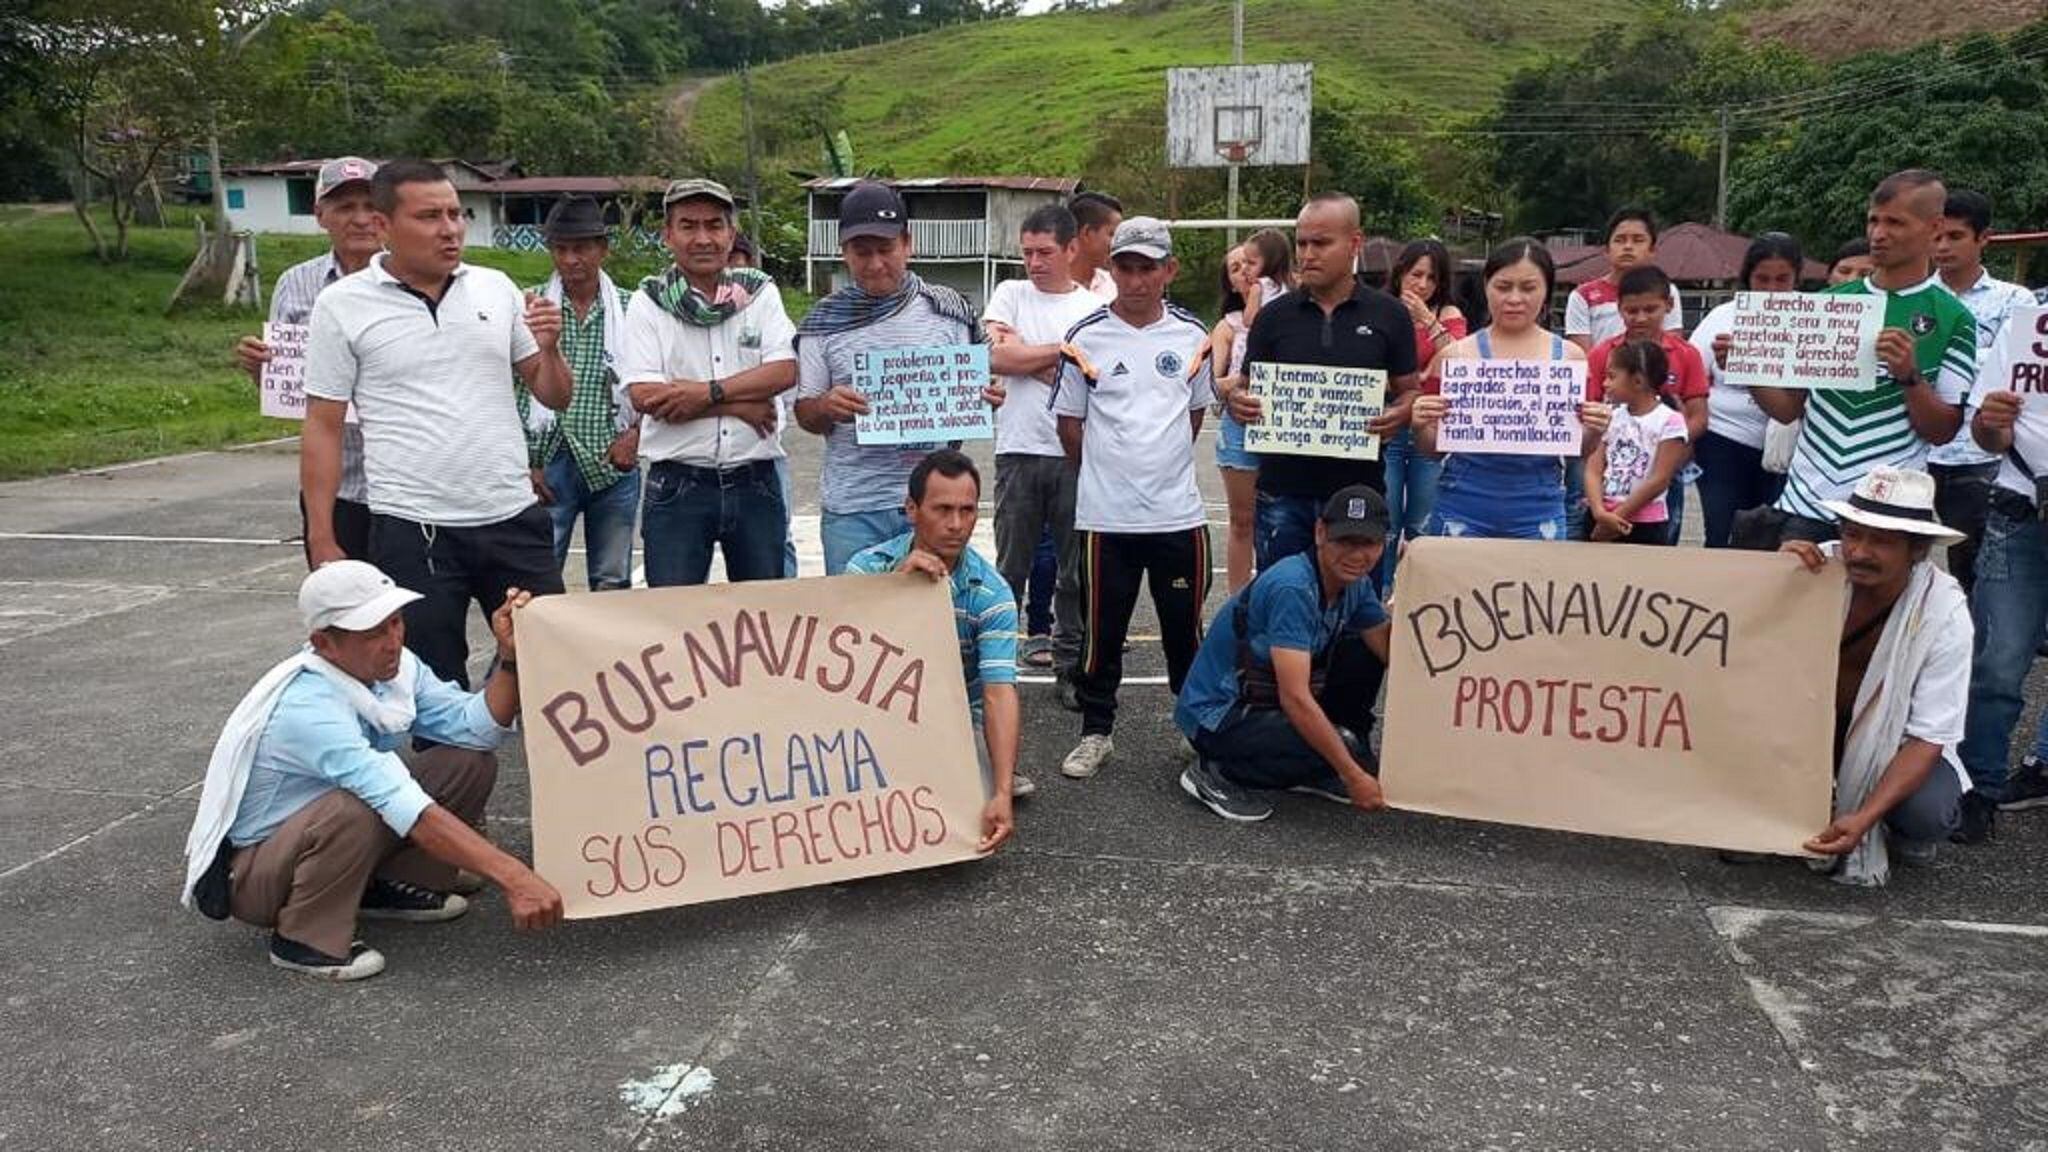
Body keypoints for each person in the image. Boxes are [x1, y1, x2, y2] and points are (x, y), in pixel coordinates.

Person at [180, 561, 564, 981]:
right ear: (323, 643)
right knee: (355, 806)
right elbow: (405, 806)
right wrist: (516, 877)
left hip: (311, 837)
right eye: (373, 633)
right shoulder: (308, 708)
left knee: (466, 762)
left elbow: (476, 729)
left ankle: (387, 889)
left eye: (395, 623)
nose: (392, 641)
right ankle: (303, 938)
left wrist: (509, 658)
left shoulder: (398, 669)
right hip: (256, 876)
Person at [302, 159, 571, 688]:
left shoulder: (495, 288)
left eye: (456, 213)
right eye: (429, 217)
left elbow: (552, 393)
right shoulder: (341, 306)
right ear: (384, 227)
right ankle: (450, 771)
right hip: (413, 526)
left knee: (551, 667)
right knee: (432, 681)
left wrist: (551, 348)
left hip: (512, 515)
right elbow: (324, 426)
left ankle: (557, 771)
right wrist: (322, 535)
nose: (449, 229)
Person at [1052, 216, 1215, 780]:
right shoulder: (1084, 337)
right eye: (1126, 266)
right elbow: (1070, 425)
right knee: (1103, 633)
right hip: (1106, 518)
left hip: (1177, 516)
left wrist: (1156, 469)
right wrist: (1109, 474)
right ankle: (1097, 732)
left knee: (1183, 630)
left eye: (1149, 267)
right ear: (1110, 269)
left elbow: (1192, 417)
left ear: (1169, 270)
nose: (1137, 279)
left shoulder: (1194, 336)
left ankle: (1194, 729)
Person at [1749, 170, 1973, 547]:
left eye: (1895, 222)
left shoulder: (1954, 318)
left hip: (1888, 510)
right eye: (1873, 220)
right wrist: (1748, 367)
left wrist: (1909, 377)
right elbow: (1788, 409)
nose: (1878, 234)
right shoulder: (1827, 306)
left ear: (1934, 228)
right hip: (1807, 503)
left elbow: (1943, 430)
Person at [1780, 468, 1971, 884]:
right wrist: (1770, 578)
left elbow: (1928, 737)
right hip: (1810, 724)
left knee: (1925, 813)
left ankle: (1887, 820)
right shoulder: (1814, 567)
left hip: (1893, 740)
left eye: (1881, 541)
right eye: (1852, 534)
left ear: (1917, 550)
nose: (1859, 551)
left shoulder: (1944, 613)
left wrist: (1865, 817)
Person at [792, 181, 993, 574]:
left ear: (907, 244)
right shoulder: (821, 323)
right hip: (854, 506)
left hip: (934, 502)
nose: (874, 263)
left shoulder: (951, 311)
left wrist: (987, 395)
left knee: (931, 621)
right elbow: (804, 413)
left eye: (885, 250)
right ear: (843, 252)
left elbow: (981, 380)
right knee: (854, 622)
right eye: (861, 252)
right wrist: (826, 406)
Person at [1174, 486, 1393, 824]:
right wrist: (1351, 774)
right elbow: (1295, 698)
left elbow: (1389, 652)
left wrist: (1417, 594)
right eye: (1345, 541)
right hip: (1217, 712)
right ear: (1320, 533)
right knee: (1343, 751)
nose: (1356, 555)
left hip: (1264, 698)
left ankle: (1311, 760)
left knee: (1361, 653)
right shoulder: (1293, 587)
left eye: (1368, 544)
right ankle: (1216, 769)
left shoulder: (1356, 585)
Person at [617, 178, 797, 587]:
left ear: (731, 234)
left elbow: (785, 370)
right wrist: (737, 403)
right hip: (679, 484)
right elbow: (645, 394)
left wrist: (702, 392)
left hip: (757, 482)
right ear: (667, 235)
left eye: (715, 225)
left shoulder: (760, 294)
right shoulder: (648, 302)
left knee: (762, 617)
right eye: (688, 225)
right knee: (675, 622)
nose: (703, 238)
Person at [847, 449, 1033, 813]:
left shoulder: (992, 594)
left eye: (966, 511)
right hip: (877, 717)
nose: (956, 524)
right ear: (912, 510)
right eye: (942, 509)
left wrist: (1000, 789)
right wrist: (896, 589)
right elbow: (844, 669)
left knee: (966, 807)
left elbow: (998, 693)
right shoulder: (865, 569)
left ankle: (996, 770)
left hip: (957, 721)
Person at [233, 156, 381, 565]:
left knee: (417, 618)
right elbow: (289, 388)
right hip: (338, 486)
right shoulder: (296, 284)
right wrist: (263, 370)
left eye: (371, 206)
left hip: (408, 486)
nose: (361, 219)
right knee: (344, 613)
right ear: (320, 215)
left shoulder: (414, 279)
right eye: (345, 207)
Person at [983, 204, 1106, 687]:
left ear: (1072, 249)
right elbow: (994, 355)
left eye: (1045, 252)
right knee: (1009, 568)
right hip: (1017, 449)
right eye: (1027, 252)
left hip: (1075, 452)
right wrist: (1063, 350)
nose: (1034, 263)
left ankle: (1069, 667)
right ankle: (993, 673)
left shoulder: (1094, 308)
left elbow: (1092, 379)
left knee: (1074, 572)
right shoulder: (1009, 293)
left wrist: (1024, 356)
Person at [1411, 238, 1606, 540]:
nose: (1514, 299)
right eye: (1503, 287)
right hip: (1463, 504)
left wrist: (1594, 429)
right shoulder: (1455, 356)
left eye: (1528, 288)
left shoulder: (1570, 358)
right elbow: (1433, 450)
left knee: (1534, 589)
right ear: (1486, 286)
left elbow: (1579, 448)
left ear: (1546, 290)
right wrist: (1421, 425)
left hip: (1538, 508)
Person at [517, 196, 639, 592]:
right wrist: (525, 463)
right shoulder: (530, 306)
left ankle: (609, 655)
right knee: (538, 576)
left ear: (602, 249)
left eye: (581, 248)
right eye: (561, 249)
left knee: (612, 578)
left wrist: (635, 437)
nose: (571, 259)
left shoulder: (632, 308)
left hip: (613, 460)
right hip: (547, 460)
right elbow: (510, 389)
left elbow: (654, 380)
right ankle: (533, 654)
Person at [1955, 336, 2048, 831]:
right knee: (1998, 661)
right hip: (2021, 510)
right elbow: (1988, 437)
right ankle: (1978, 788)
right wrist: (1991, 424)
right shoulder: (2029, 326)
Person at [1927, 189, 2036, 595]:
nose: (1942, 246)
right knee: (1901, 561)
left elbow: (2013, 376)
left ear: (1983, 238)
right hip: (1915, 449)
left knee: (1974, 567)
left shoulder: (2015, 301)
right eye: (1936, 236)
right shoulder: (1914, 297)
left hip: (1979, 456)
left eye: (1955, 236)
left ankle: (1971, 650)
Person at [1688, 232, 1801, 547]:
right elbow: (1691, 376)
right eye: (1762, 279)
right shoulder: (1722, 317)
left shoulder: (1812, 323)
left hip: (1791, 447)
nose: (1772, 289)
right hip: (1724, 442)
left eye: (1782, 279)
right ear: (1748, 278)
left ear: (1797, 279)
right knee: (1723, 533)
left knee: (1778, 537)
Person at [1583, 264, 1708, 542]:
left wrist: (1671, 446)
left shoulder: (1686, 354)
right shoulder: (1603, 353)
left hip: (1662, 477)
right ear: (1619, 308)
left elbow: (1699, 415)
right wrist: (1599, 509)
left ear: (1669, 305)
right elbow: (1591, 410)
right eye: (1631, 310)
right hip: (1607, 484)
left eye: (1650, 309)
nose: (1640, 318)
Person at [1208, 229, 1293, 594]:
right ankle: (1238, 603)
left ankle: (1278, 594)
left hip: (1288, 423)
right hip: (1241, 424)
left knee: (1284, 518)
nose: (1244, 271)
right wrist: (1236, 387)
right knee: (1243, 520)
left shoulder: (1294, 302)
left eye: (1250, 263)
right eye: (1235, 267)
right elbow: (1212, 382)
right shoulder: (1228, 326)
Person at [1380, 239, 1466, 586]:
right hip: (1389, 421)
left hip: (1431, 427)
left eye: (1432, 278)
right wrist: (1423, 374)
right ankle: (1380, 593)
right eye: (1416, 274)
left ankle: (1416, 594)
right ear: (1400, 272)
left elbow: (1460, 358)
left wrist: (1428, 320)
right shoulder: (1382, 310)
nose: (1423, 284)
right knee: (1384, 518)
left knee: (1421, 521)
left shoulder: (1448, 315)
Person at [1585, 339, 1689, 546]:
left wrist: (1617, 517)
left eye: (1612, 377)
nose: (1605, 384)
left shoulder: (1669, 421)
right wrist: (1598, 511)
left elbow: (1660, 479)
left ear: (1638, 381)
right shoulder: (1612, 416)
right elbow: (1593, 468)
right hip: (1601, 515)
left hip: (1645, 523)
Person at [1564, 206, 1686, 351]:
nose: (1628, 247)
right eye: (1620, 240)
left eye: (1638, 240)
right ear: (1607, 250)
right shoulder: (1582, 296)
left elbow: (1673, 348)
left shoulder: (1668, 291)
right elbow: (1582, 357)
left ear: (1652, 250)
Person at [1067, 190, 1123, 302]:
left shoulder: (1116, 286)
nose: (1118, 243)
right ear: (1087, 233)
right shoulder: (1049, 287)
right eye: (1112, 234)